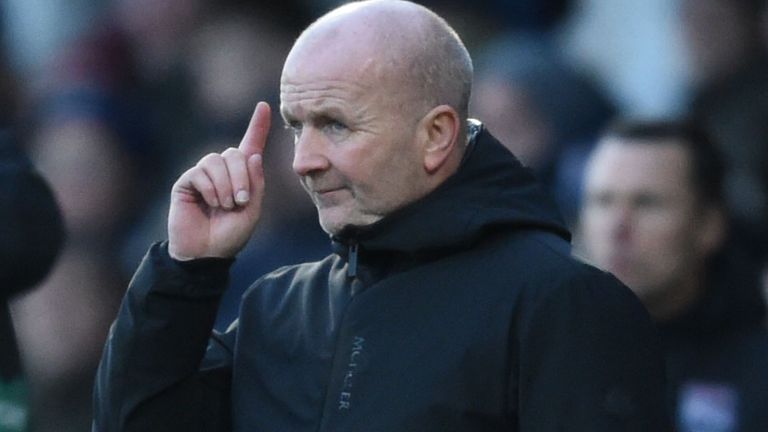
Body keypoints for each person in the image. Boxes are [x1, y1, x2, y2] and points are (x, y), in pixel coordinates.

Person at [93, 1, 669, 431]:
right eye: (298, 127)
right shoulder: (276, 309)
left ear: (436, 135)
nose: (302, 162)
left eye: (336, 125)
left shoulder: (561, 304)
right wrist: (185, 272)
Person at [577, 120, 768, 431]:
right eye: (603, 201)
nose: (617, 228)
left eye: (647, 203)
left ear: (709, 225)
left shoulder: (758, 371)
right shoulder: (534, 355)